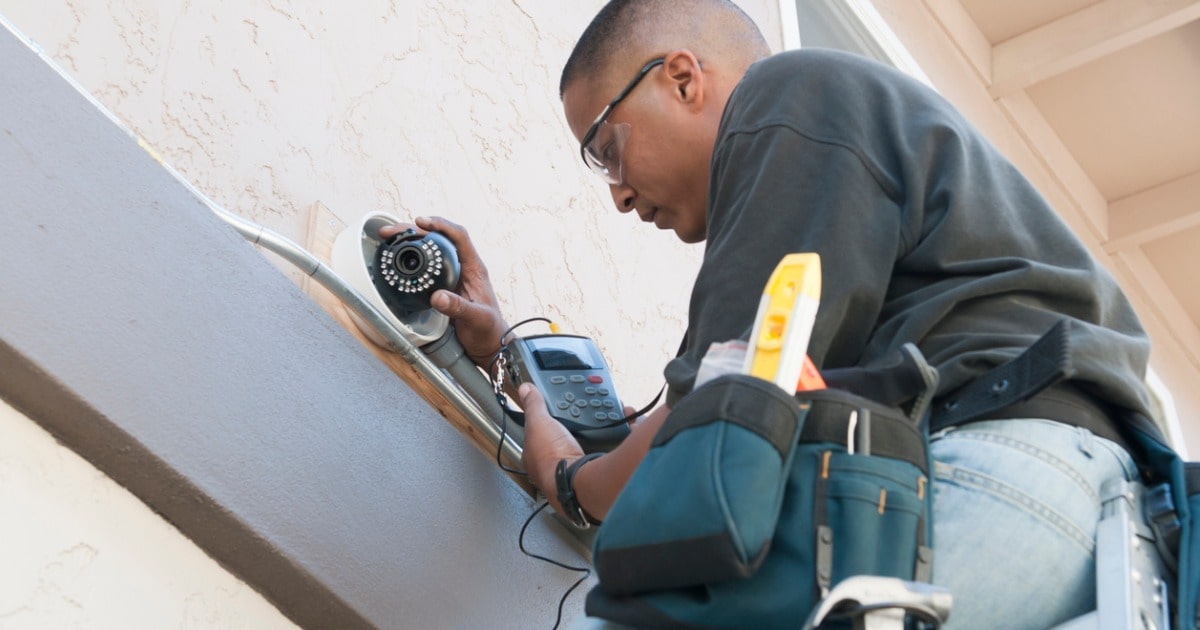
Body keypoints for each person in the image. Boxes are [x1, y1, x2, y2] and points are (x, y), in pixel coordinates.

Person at [384, 0, 1154, 626]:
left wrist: (567, 478)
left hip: (996, 472)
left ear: (683, 78)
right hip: (1093, 533)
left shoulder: (787, 98)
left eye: (605, 147)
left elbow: (713, 416)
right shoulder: (852, 154)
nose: (615, 192)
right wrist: (499, 361)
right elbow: (698, 416)